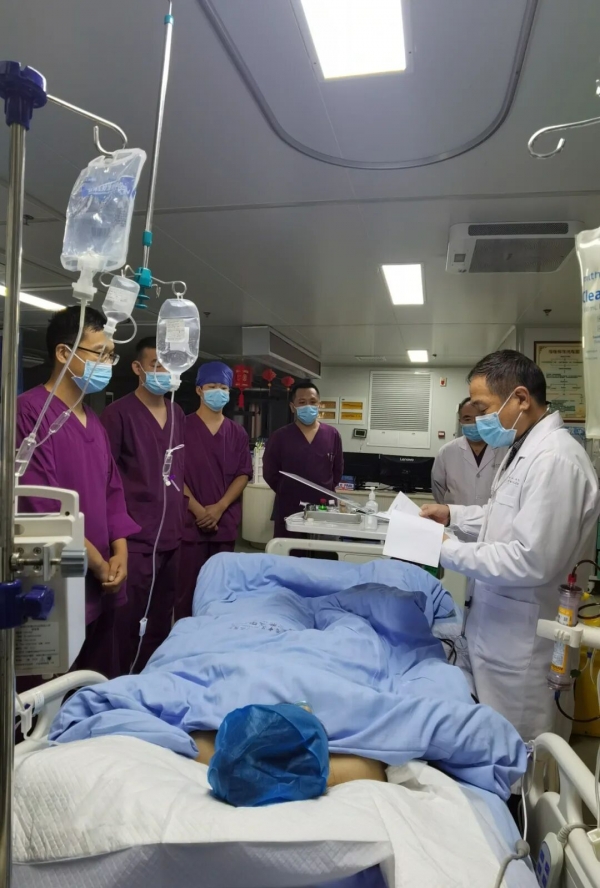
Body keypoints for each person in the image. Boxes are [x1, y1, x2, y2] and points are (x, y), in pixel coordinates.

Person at [421, 350, 600, 741]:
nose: (479, 419)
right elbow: (502, 516)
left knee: (520, 752)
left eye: (483, 408)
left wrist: (444, 548)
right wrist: (452, 515)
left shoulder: (556, 460)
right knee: (494, 744)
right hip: (499, 632)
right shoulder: (523, 449)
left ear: (520, 398)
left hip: (524, 648)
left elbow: (529, 559)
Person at [16, 306, 140, 679]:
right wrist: (99, 565)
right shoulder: (29, 415)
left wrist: (120, 553)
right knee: (51, 692)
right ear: (63, 353)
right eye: (99, 353)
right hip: (60, 577)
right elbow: (42, 504)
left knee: (95, 685)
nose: (107, 363)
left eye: (111, 355)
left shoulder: (93, 422)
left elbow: (112, 492)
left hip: (103, 582)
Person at [101, 337, 185, 672]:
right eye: (156, 365)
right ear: (138, 368)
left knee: (162, 620)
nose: (164, 373)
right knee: (126, 621)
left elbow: (176, 471)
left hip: (171, 537)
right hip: (135, 539)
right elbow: (105, 480)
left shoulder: (177, 413)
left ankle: (153, 681)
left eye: (169, 366)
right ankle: (118, 683)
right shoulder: (118, 415)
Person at [175, 362, 252, 620]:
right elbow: (172, 474)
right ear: (199, 390)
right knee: (186, 592)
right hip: (189, 524)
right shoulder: (180, 427)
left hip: (223, 524)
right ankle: (185, 638)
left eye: (223, 388)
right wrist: (197, 510)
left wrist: (219, 507)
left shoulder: (237, 433)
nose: (218, 392)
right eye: (212, 386)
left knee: (221, 592)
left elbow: (243, 473)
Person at [263, 380, 343, 537]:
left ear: (319, 404)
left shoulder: (332, 435)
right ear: (293, 407)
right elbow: (270, 472)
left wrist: (322, 489)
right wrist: (288, 491)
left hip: (323, 507)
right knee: (290, 549)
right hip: (289, 507)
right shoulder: (280, 436)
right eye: (302, 402)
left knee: (322, 550)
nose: (308, 406)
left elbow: (337, 470)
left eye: (313, 402)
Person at [431, 397, 507, 508]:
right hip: (456, 518)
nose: (475, 423)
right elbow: (438, 489)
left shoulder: (505, 449)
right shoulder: (446, 452)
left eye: (480, 418)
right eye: (467, 419)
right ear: (460, 422)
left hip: (494, 517)